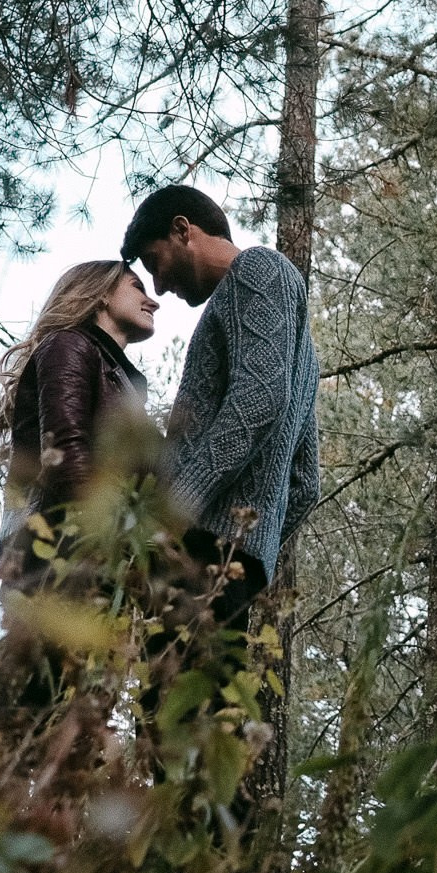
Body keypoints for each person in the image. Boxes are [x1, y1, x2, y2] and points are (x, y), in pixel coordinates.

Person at [120, 184, 319, 629]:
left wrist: (175, 513)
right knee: (194, 698)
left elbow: (259, 398)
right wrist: (249, 553)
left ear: (182, 231)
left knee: (174, 696)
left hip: (197, 545)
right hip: (231, 562)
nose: (158, 285)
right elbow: (306, 484)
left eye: (155, 263)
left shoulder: (257, 270)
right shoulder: (300, 343)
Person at [0, 260, 159, 585]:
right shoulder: (68, 344)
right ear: (102, 295)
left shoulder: (120, 381)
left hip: (91, 558)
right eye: (137, 286)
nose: (154, 301)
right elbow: (66, 457)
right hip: (64, 558)